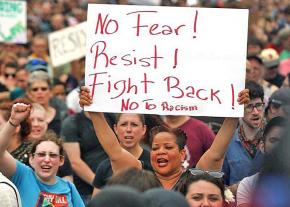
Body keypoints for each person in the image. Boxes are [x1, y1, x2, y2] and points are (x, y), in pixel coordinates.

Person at [79, 87, 249, 192]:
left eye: (168, 147)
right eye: (155, 148)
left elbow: (216, 154)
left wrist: (234, 113)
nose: (160, 151)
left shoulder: (195, 179)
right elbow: (115, 152)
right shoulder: (139, 178)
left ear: (183, 154)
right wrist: (94, 111)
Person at [0, 103, 85, 207]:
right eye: (41, 154)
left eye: (53, 155)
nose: (47, 159)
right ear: (31, 159)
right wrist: (13, 122)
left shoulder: (69, 187)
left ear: (61, 161)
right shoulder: (23, 175)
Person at [91, 113, 152, 196]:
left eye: (134, 125)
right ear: (115, 129)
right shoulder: (104, 167)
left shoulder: (153, 161)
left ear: (144, 129)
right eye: (123, 124)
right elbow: (96, 201)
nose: (129, 129)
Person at [222, 81, 265, 195]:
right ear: (239, 109)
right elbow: (219, 187)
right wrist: (235, 189)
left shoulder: (275, 137)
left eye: (259, 105)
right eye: (249, 107)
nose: (256, 112)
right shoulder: (227, 142)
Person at [62, 111, 114, 203]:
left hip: (113, 186)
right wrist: (100, 185)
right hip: (85, 191)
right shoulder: (73, 122)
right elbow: (75, 162)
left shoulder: (112, 118)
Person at [236, 116, 287, 207]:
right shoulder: (248, 185)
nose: (279, 147)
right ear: (262, 146)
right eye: (273, 140)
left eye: (284, 142)